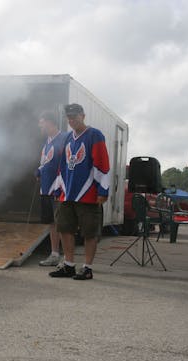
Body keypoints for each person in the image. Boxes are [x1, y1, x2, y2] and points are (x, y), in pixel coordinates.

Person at [49, 104, 110, 280]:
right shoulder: (68, 137)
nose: (71, 120)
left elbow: (102, 163)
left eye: (74, 116)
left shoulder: (94, 135)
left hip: (88, 194)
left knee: (90, 232)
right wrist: (58, 186)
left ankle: (87, 268)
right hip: (67, 193)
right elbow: (63, 165)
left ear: (83, 115)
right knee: (65, 228)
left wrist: (103, 190)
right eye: (69, 117)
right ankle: (68, 265)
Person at [36, 111, 68, 267]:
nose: (39, 125)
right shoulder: (47, 142)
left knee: (62, 222)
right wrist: (39, 170)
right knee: (52, 223)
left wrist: (60, 186)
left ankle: (66, 258)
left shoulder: (64, 138)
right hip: (46, 188)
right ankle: (54, 254)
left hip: (58, 189)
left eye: (41, 122)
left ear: (50, 122)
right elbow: (44, 162)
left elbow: (67, 164)